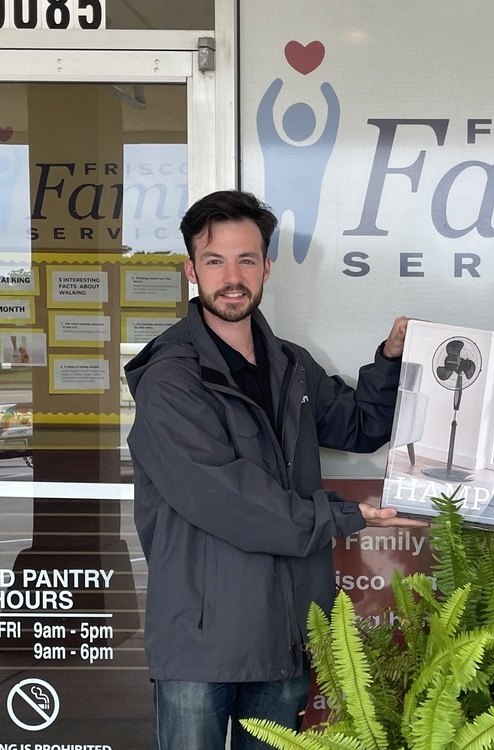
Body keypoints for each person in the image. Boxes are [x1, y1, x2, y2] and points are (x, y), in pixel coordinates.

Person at [124, 190, 424, 750]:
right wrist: (341, 515)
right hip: (202, 642)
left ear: (267, 266)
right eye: (214, 261)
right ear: (192, 270)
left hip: (285, 634)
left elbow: (360, 426)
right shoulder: (171, 381)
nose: (231, 276)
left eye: (246, 259)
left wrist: (390, 357)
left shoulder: (291, 365)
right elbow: (226, 498)